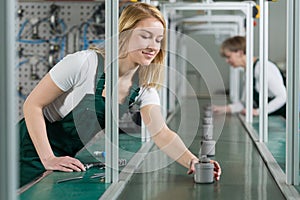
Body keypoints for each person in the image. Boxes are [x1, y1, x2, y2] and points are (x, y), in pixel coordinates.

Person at [19, 3, 221, 187]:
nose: (153, 46)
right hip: (27, 147)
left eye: (158, 40)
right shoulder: (84, 63)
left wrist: (194, 161)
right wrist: (48, 157)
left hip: (64, 158)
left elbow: (161, 133)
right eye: (145, 36)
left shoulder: (143, 88)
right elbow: (32, 105)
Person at [213, 36, 286, 117]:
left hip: (283, 119)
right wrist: (224, 109)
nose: (227, 61)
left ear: (240, 53)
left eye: (228, 57)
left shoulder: (262, 68)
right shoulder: (248, 71)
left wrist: (258, 112)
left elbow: (282, 97)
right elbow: (244, 103)